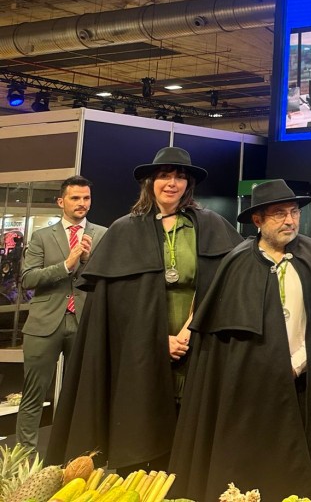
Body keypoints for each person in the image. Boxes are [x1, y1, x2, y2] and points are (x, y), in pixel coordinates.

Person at [48, 147, 243, 469]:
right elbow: (116, 305)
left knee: (190, 424)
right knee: (143, 424)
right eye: (165, 175)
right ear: (150, 182)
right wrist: (158, 339)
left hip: (200, 342)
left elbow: (225, 284)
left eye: (180, 176)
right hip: (138, 348)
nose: (172, 183)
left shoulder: (210, 225)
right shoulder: (125, 229)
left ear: (189, 184)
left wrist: (189, 330)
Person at [170, 180, 311, 502]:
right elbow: (224, 344)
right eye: (279, 214)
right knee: (249, 474)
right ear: (258, 220)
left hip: (303, 386)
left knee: (300, 478)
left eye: (294, 213)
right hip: (250, 392)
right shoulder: (237, 262)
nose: (290, 220)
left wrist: (298, 363)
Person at [16, 176, 106, 451]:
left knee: (81, 395)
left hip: (84, 322)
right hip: (44, 324)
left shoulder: (103, 234)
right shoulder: (42, 236)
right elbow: (27, 279)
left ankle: (73, 456)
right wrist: (66, 266)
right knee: (34, 395)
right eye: (75, 198)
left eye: (86, 198)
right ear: (60, 202)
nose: (82, 203)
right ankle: (24, 459)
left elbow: (108, 280)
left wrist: (89, 262)